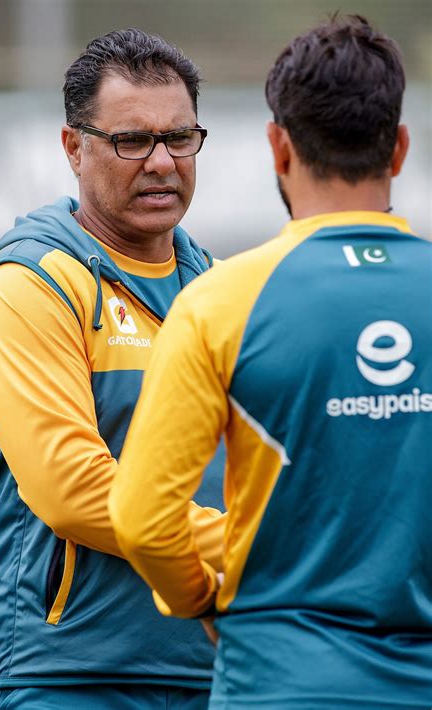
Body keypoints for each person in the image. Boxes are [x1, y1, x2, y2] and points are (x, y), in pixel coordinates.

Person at [110, 15, 432, 709]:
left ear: (278, 147)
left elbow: (142, 517)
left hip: (278, 680)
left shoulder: (218, 302)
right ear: (400, 147)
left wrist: (207, 604)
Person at [0, 28, 226, 710]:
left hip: (214, 671)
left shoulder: (221, 292)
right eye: (132, 141)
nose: (163, 162)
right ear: (74, 147)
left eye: (180, 137)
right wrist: (245, 545)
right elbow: (71, 489)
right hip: (62, 676)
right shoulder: (30, 283)